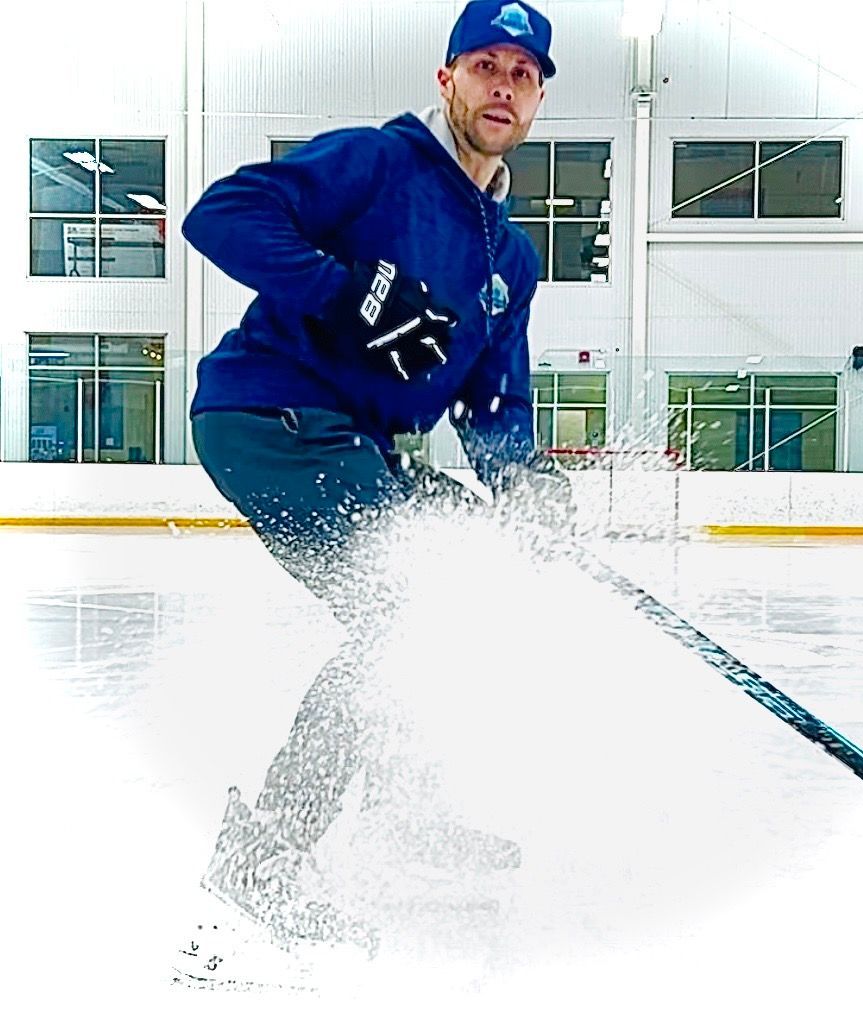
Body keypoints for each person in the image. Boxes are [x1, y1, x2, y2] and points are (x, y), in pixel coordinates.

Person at [180, 1, 568, 956]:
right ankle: (262, 857)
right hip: (270, 414)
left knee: (455, 600)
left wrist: (524, 484)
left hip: (356, 441)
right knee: (408, 613)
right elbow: (219, 215)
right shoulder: (377, 161)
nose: (502, 86)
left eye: (523, 74)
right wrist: (345, 289)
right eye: (485, 65)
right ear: (447, 81)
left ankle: (404, 815)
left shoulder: (508, 257)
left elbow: (492, 404)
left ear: (539, 100)